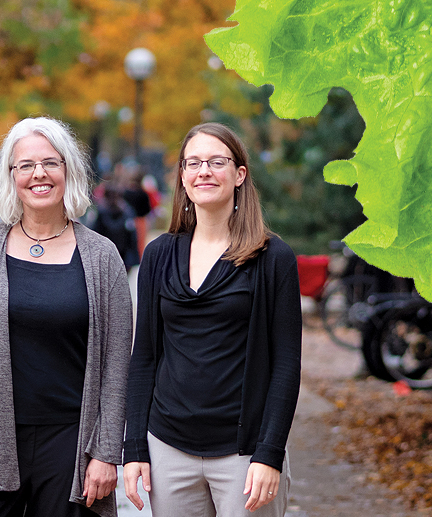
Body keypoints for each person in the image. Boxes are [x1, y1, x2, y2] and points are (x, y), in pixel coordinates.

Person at [0, 117, 133, 517]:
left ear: (68, 170)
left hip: (71, 444)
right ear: (11, 176)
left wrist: (107, 452)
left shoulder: (102, 257)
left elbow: (116, 366)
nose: (38, 174)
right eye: (25, 165)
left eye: (50, 163)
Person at [123, 122, 301, 516]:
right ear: (183, 178)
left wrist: (269, 454)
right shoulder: (159, 254)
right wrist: (134, 447)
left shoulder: (273, 258)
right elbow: (145, 357)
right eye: (193, 163)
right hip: (168, 448)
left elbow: (286, 365)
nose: (204, 171)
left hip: (244, 453)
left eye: (216, 161)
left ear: (239, 175)